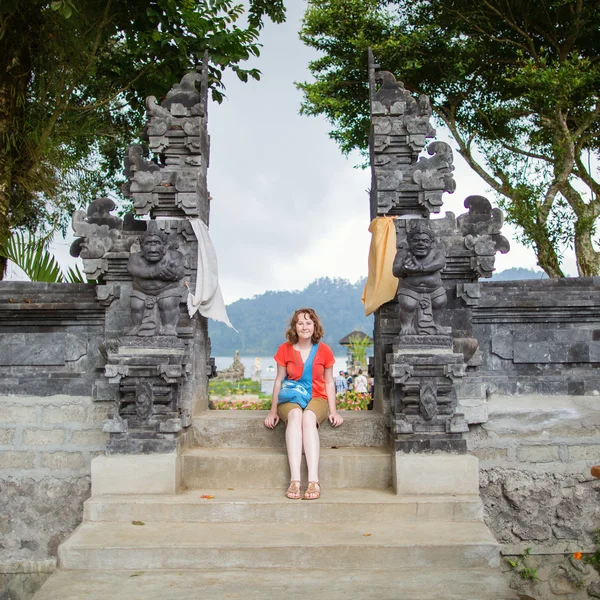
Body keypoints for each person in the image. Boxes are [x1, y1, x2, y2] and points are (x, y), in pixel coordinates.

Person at [264, 308, 344, 500]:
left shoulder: (324, 350)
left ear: (315, 326)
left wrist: (333, 411)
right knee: (295, 415)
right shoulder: (284, 349)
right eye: (300, 323)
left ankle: (314, 481)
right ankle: (295, 480)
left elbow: (329, 382)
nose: (305, 326)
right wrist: (273, 411)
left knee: (308, 416)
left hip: (317, 398)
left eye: (309, 322)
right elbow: (278, 380)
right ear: (294, 327)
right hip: (290, 398)